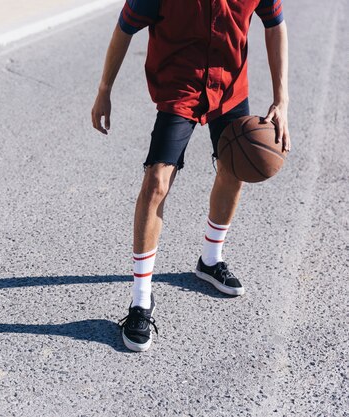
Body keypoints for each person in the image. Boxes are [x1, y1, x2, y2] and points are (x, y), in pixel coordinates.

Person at [91, 0, 290, 352]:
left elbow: (275, 24)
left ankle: (210, 260)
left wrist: (281, 100)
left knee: (232, 170)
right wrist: (104, 89)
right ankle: (140, 300)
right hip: (180, 90)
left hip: (229, 90)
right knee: (156, 182)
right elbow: (124, 28)